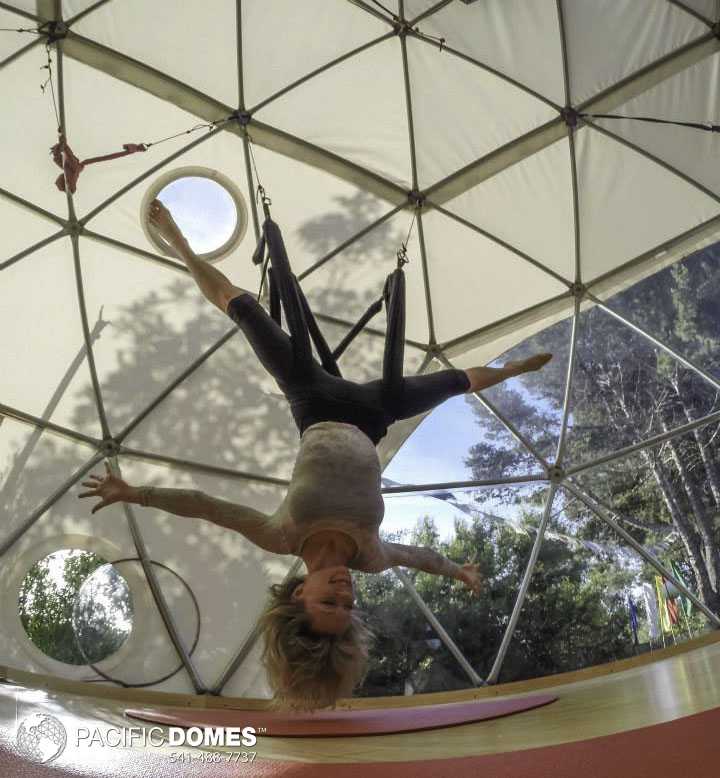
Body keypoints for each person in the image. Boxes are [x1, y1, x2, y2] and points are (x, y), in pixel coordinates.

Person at [79, 199, 552, 710]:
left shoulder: (282, 535)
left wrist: (136, 494)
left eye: (329, 599)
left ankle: (181, 242)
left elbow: (206, 506)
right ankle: (510, 371)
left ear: (298, 597)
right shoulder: (370, 556)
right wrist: (459, 571)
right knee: (453, 383)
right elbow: (420, 559)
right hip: (374, 415)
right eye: (348, 605)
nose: (345, 591)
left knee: (242, 308)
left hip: (313, 401)